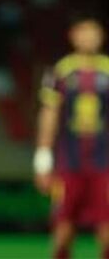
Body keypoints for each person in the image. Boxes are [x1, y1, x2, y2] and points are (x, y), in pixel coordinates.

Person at [34, 15, 109, 259]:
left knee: (107, 228)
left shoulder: (107, 69)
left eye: (94, 32)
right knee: (63, 226)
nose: (89, 37)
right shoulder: (61, 71)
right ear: (73, 36)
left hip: (104, 162)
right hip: (69, 162)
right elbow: (49, 115)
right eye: (84, 31)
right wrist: (43, 160)